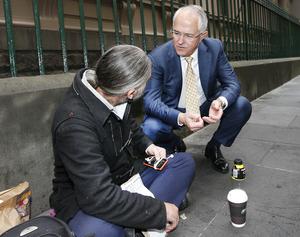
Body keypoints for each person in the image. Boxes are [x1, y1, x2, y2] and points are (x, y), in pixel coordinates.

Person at [49, 45, 195, 237]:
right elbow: (98, 196)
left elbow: (131, 128)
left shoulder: (113, 91)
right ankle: (144, 218)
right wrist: (158, 211)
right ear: (131, 92)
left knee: (184, 163)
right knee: (103, 232)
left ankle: (137, 221)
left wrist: (147, 145)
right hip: (84, 197)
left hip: (125, 179)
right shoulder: (74, 124)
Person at [141, 5, 252, 174]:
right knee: (150, 128)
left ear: (202, 36)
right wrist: (181, 117)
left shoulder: (214, 48)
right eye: (176, 33)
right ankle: (174, 144)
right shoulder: (157, 57)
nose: (179, 41)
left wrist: (220, 103)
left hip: (205, 105)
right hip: (173, 110)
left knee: (242, 105)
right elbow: (150, 101)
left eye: (188, 36)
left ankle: (213, 147)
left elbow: (232, 84)